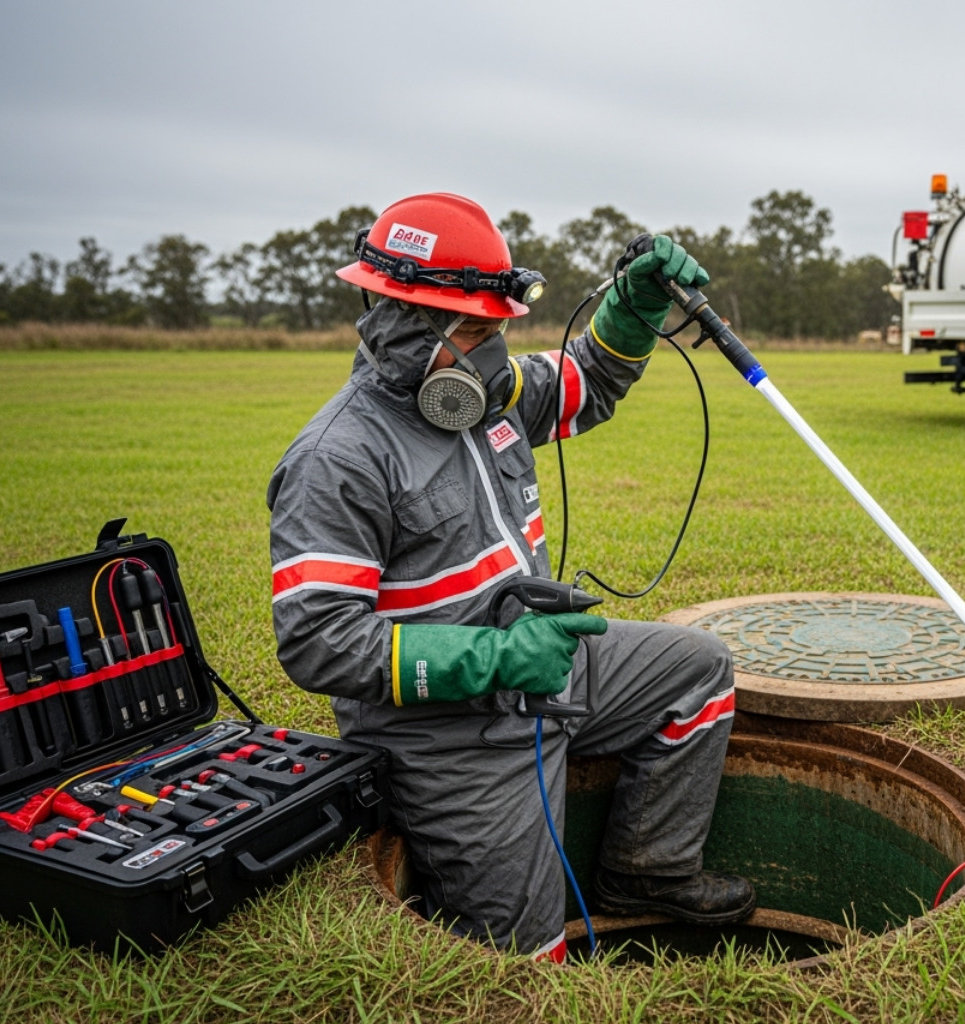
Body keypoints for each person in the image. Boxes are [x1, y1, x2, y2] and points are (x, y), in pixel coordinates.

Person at [266, 193, 754, 961]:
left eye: (500, 329)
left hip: (543, 668)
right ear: (401, 324)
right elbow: (319, 644)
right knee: (526, 955)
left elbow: (588, 381)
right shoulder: (338, 458)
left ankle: (646, 875)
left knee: (698, 672)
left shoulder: (483, 394)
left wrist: (631, 306)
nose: (495, 355)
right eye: (476, 331)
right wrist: (495, 660)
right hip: (445, 731)